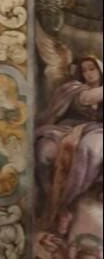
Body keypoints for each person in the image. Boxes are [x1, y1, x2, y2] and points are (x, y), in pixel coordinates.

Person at [36, 56, 103, 224]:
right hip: (67, 128)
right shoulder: (74, 88)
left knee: (90, 149)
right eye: (84, 70)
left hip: (96, 129)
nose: (88, 73)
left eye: (92, 68)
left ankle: (67, 202)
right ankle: (50, 202)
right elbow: (87, 98)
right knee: (46, 151)